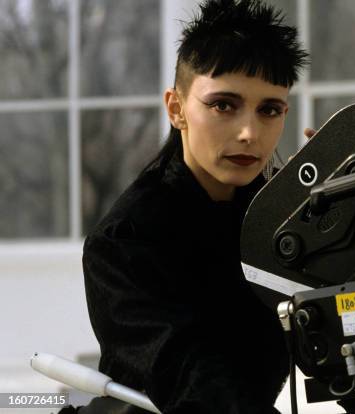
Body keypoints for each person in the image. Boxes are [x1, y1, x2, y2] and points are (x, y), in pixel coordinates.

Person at [69, 1, 310, 413]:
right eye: (223, 105)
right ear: (177, 108)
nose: (250, 133)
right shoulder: (124, 242)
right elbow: (198, 381)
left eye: (269, 109)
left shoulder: (283, 221)